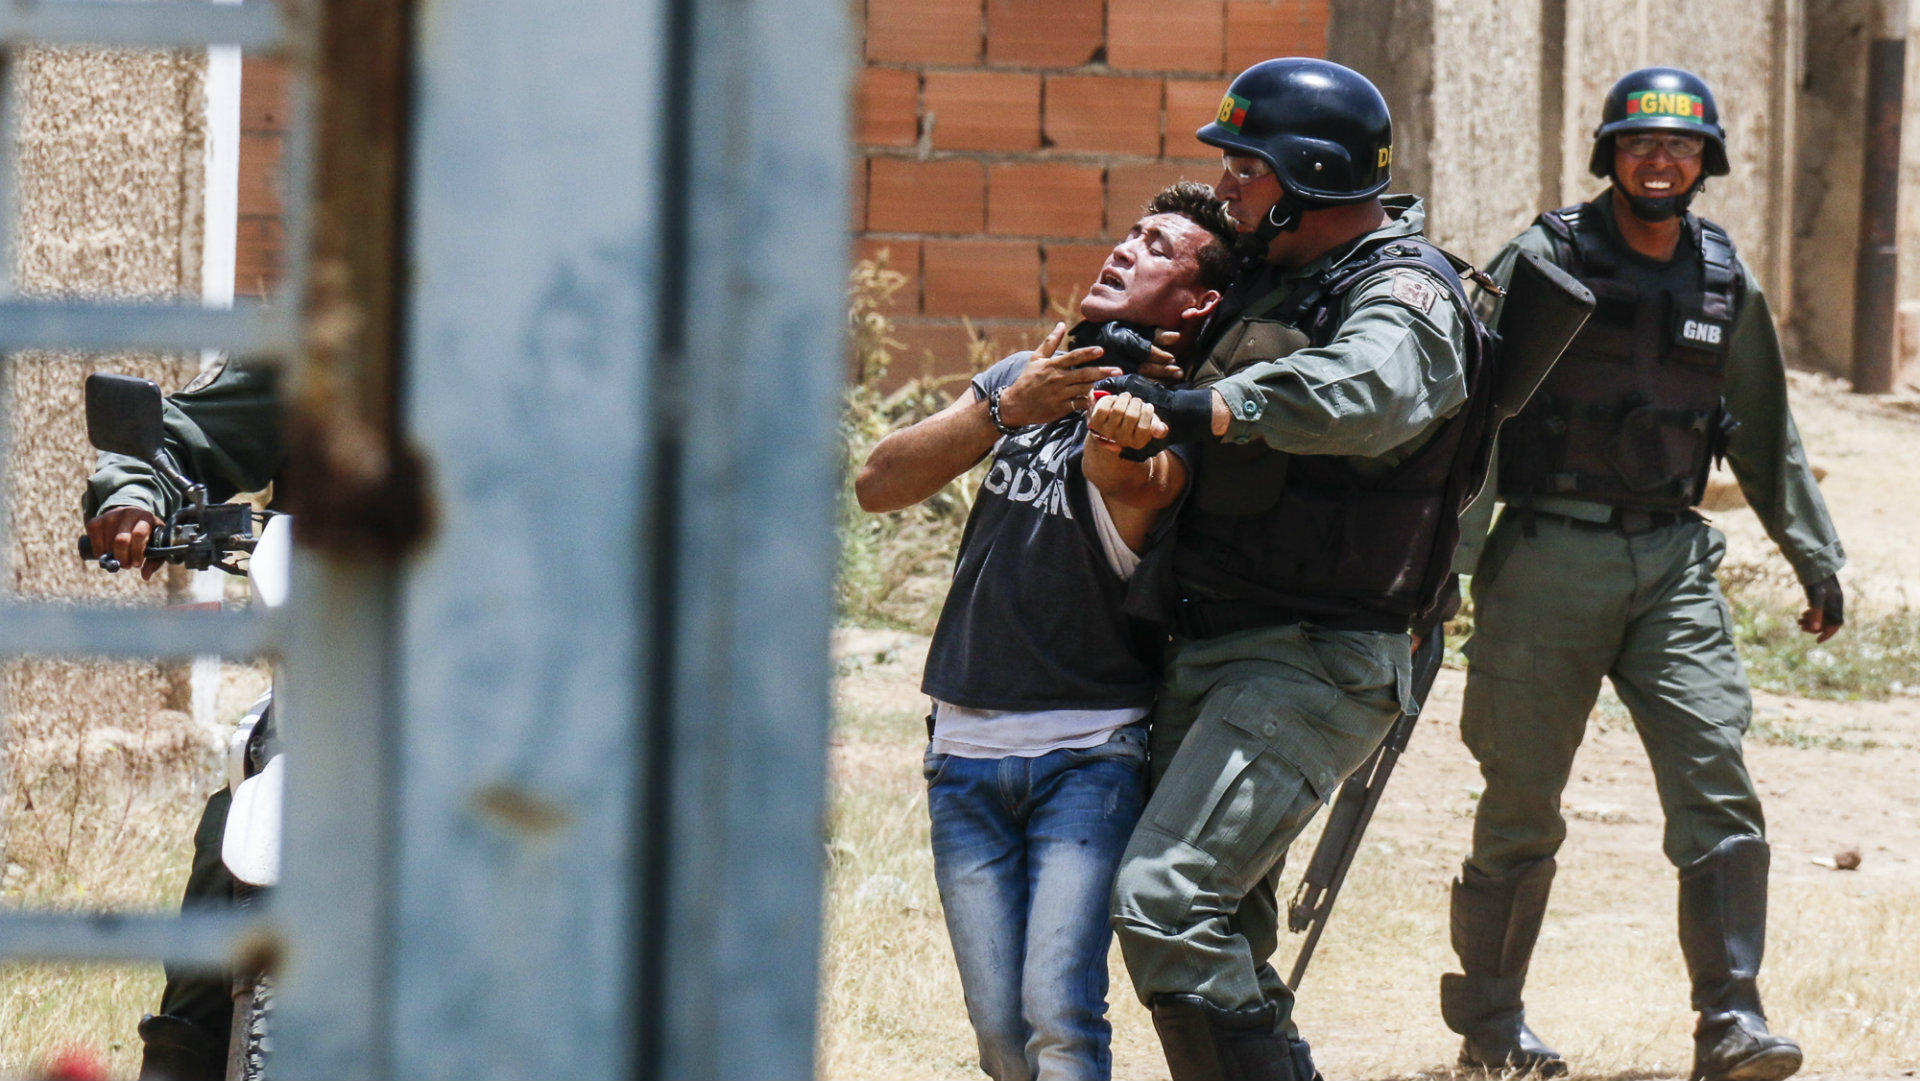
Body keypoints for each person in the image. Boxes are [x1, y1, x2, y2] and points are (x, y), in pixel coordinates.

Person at [1087, 58, 1492, 1081]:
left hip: (1313, 655)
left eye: (1245, 166)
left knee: (1167, 897)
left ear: (1310, 173)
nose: (1227, 186)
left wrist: (1216, 405)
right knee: (1216, 927)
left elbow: (1372, 391)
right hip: (1220, 640)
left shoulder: (1401, 288)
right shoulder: (1275, 275)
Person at [1437, 68, 1844, 1081]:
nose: (1660, 162)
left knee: (1717, 776)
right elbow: (1470, 424)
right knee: (1521, 799)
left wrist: (1816, 557)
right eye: (1640, 144)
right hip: (1546, 560)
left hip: (1671, 565)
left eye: (1680, 147)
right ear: (1608, 154)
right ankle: (1492, 1024)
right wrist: (1433, 574)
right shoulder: (1545, 258)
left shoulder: (1722, 277)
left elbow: (1767, 436)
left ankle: (1732, 1022)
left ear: (1707, 160)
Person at [853, 183, 1236, 1081]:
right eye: (1129, 233)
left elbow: (1129, 475)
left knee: (1060, 1015)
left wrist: (1121, 423)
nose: (1124, 248)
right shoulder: (1021, 380)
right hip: (963, 753)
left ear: (1199, 301)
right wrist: (1005, 409)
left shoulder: (1173, 424)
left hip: (1087, 757)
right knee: (999, 1035)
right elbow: (876, 483)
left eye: (1156, 248)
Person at [82, 358, 282, 1081]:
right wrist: (135, 493)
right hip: (346, 670)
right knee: (234, 825)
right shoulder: (346, 355)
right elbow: (181, 435)